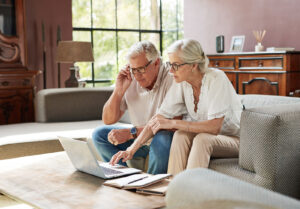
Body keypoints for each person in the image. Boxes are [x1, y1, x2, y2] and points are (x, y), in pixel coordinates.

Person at [109, 39, 243, 176]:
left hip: (236, 140)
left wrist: (172, 123)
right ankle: (172, 188)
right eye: (170, 64)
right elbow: (157, 119)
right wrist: (131, 149)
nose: (171, 70)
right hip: (211, 137)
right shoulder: (182, 82)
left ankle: (191, 194)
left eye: (176, 65)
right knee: (180, 135)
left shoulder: (216, 79)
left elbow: (215, 127)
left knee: (202, 140)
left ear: (194, 65)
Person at [92, 41, 174, 174]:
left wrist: (132, 133)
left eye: (141, 69)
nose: (137, 75)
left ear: (156, 63)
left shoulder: (171, 77)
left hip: (160, 136)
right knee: (100, 134)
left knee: (163, 138)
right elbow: (108, 119)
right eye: (133, 69)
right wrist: (119, 90)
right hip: (138, 138)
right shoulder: (130, 77)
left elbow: (167, 124)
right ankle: (123, 178)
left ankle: (150, 186)